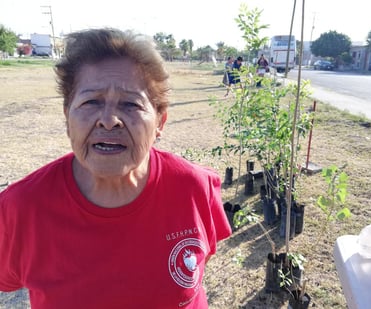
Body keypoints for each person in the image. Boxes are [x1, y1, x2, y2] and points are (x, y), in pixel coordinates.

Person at [0, 28, 232, 309]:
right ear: (67, 116)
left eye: (130, 104)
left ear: (160, 122)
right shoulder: (21, 208)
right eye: (91, 101)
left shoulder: (194, 188)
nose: (109, 120)